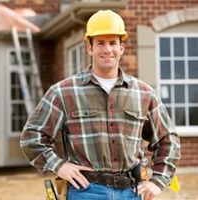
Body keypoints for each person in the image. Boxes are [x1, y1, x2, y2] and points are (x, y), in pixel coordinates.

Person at [20, 9, 181, 200]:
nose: (107, 49)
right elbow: (32, 136)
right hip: (85, 191)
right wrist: (59, 165)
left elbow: (168, 140)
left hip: (131, 192)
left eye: (113, 43)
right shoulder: (63, 92)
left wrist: (158, 181)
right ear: (89, 48)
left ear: (121, 47)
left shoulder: (143, 93)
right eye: (100, 43)